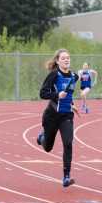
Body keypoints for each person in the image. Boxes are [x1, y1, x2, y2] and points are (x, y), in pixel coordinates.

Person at [37, 49, 79, 187]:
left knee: (68, 143)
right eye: (63, 58)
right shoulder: (54, 75)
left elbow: (70, 92)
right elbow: (42, 93)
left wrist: (72, 104)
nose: (67, 60)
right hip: (52, 116)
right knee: (48, 147)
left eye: (68, 58)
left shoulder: (73, 76)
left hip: (66, 115)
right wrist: (56, 94)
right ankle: (42, 137)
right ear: (57, 61)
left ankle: (66, 177)